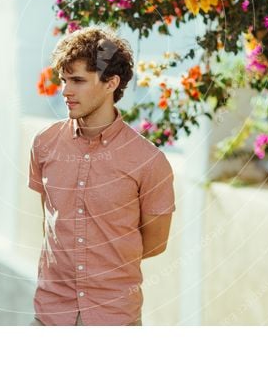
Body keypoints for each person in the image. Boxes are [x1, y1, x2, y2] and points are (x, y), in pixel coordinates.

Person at [28, 26, 175, 326]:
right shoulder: (44, 144)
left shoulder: (149, 162)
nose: (66, 91)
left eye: (78, 81)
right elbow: (51, 224)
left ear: (111, 83)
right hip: (50, 315)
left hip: (114, 319)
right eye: (64, 80)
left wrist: (105, 261)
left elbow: (156, 242)